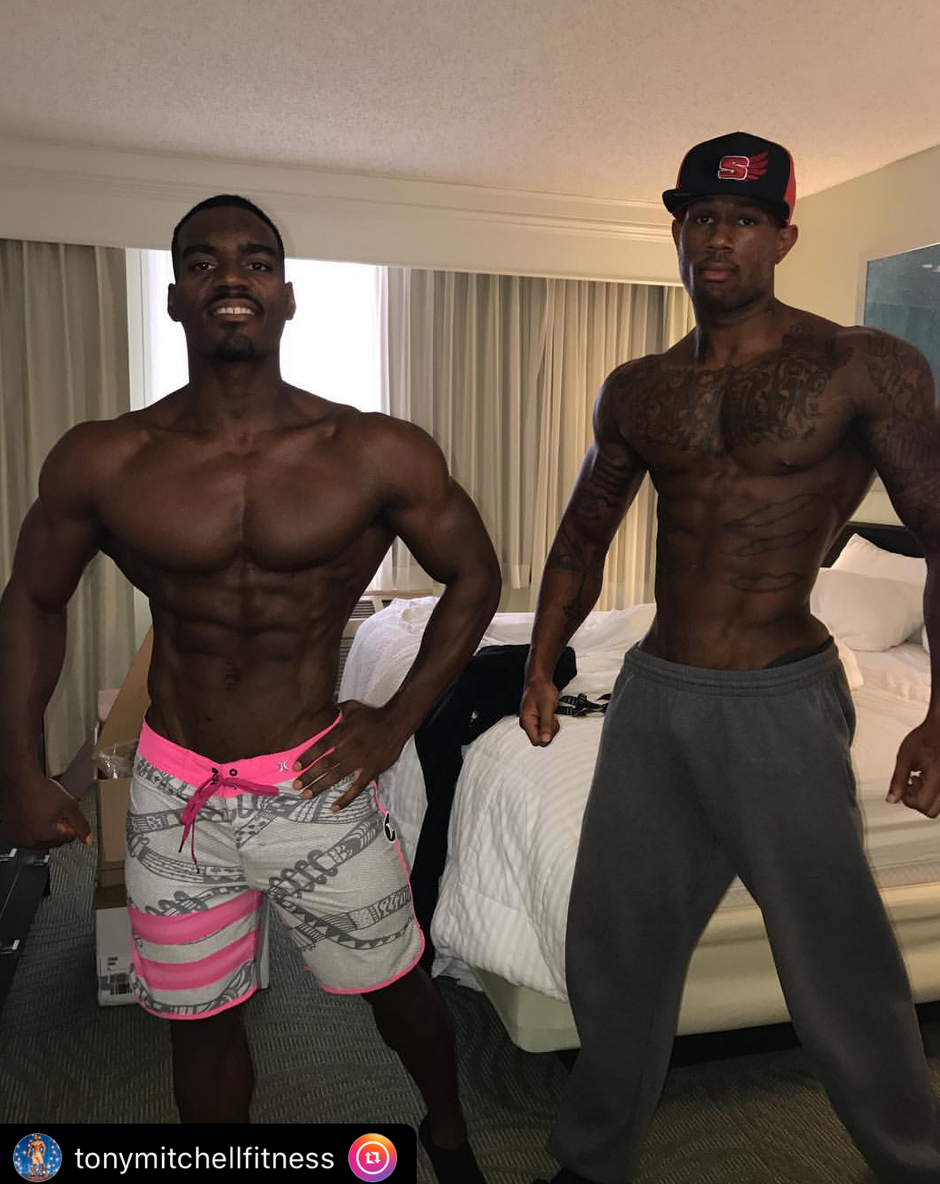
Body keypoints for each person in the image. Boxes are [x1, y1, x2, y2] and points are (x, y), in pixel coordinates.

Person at [0, 194, 500, 1179]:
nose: (232, 275)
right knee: (199, 1023)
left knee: (396, 988)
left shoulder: (373, 449)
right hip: (174, 790)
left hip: (320, 783)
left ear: (287, 294)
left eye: (257, 260)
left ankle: (447, 1129)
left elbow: (474, 576)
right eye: (204, 261)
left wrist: (396, 721)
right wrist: (17, 766)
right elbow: (31, 600)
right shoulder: (105, 457)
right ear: (175, 296)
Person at [520, 132, 940, 1183]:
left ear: (782, 237)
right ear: (677, 231)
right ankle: (591, 1159)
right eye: (700, 216)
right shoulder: (639, 387)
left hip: (778, 698)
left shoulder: (861, 366)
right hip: (654, 693)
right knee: (616, 940)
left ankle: (911, 1159)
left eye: (745, 220)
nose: (718, 237)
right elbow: (581, 534)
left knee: (837, 958)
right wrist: (541, 659)